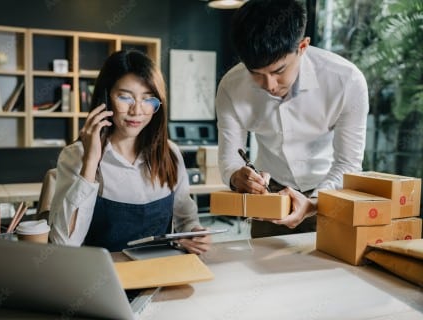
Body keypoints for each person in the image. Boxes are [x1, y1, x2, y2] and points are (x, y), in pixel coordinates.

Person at [216, 0, 369, 237]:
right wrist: (238, 177)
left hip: (331, 190)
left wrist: (315, 202)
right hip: (270, 195)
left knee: (330, 271)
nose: (269, 85)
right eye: (256, 74)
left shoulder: (346, 81)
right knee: (263, 269)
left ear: (303, 46)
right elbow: (230, 159)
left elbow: (348, 164)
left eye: (278, 71)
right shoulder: (230, 86)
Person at [49, 50, 210, 254]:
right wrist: (90, 162)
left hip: (159, 278)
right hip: (104, 279)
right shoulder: (75, 156)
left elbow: (186, 220)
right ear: (106, 98)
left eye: (148, 99)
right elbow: (63, 245)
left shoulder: (170, 153)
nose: (137, 111)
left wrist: (193, 234)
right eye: (125, 97)